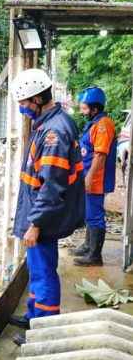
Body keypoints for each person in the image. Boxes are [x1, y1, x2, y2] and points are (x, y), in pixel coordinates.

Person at [9, 68, 85, 345]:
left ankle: (44, 329)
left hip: (44, 218)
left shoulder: (53, 133)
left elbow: (51, 186)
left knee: (43, 272)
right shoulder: (52, 122)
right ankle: (33, 315)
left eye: (25, 102)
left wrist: (35, 224)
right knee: (37, 267)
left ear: (39, 98)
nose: (22, 108)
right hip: (41, 214)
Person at [70, 86, 116, 266]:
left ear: (95, 108)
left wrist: (88, 178)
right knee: (89, 213)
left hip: (97, 178)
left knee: (95, 215)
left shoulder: (103, 125)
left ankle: (95, 256)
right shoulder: (95, 123)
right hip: (90, 176)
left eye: (85, 108)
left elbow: (100, 155)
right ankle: (88, 246)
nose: (83, 112)